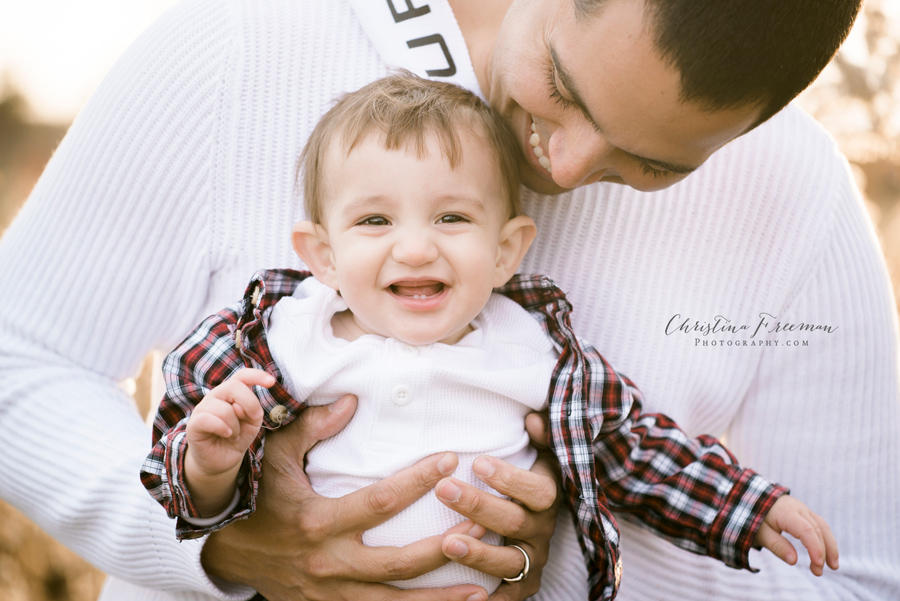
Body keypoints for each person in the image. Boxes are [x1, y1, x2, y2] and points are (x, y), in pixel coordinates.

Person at [0, 0, 896, 600]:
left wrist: (574, 556)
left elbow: (860, 577)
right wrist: (221, 543)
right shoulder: (244, 39)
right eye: (563, 87)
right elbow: (20, 356)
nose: (564, 167)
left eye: (657, 164)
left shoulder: (798, 193)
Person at [139, 73, 836, 600]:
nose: (415, 250)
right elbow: (179, 483)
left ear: (507, 251)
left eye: (451, 218)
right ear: (321, 254)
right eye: (375, 221)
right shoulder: (280, 344)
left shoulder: (534, 352)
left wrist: (748, 505)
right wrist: (211, 462)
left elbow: (637, 447)